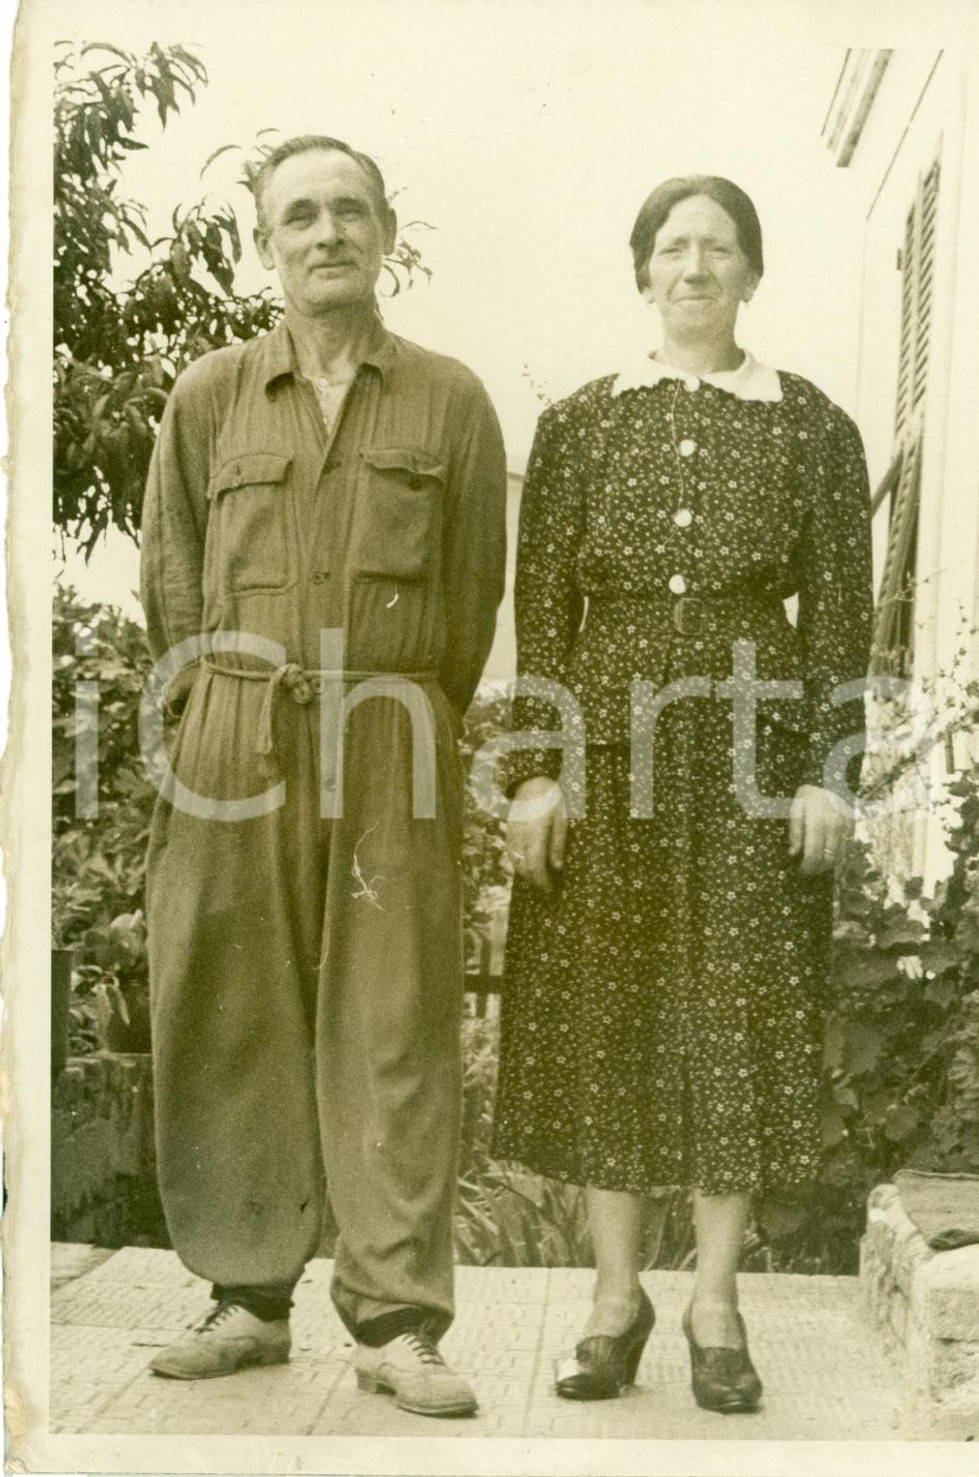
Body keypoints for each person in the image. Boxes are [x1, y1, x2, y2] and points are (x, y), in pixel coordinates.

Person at [139, 135, 506, 1417]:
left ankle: (398, 1320)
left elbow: (469, 605)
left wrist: (399, 711)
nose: (327, 232)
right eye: (300, 214)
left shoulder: (450, 400)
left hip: (392, 729)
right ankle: (245, 1300)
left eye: (351, 209)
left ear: (388, 230)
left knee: (395, 1021)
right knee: (231, 1006)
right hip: (236, 734)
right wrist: (209, 715)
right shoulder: (209, 399)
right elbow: (173, 581)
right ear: (265, 243)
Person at [493, 176, 872, 1409]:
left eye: (719, 248)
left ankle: (714, 1301)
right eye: (672, 246)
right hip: (606, 748)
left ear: (752, 275)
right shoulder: (584, 424)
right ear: (642, 273)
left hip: (752, 759)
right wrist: (538, 770)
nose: (695, 266)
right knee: (606, 1007)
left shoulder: (812, 427)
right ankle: (614, 1300)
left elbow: (844, 620)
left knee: (735, 1012)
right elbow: (540, 606)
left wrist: (823, 770)